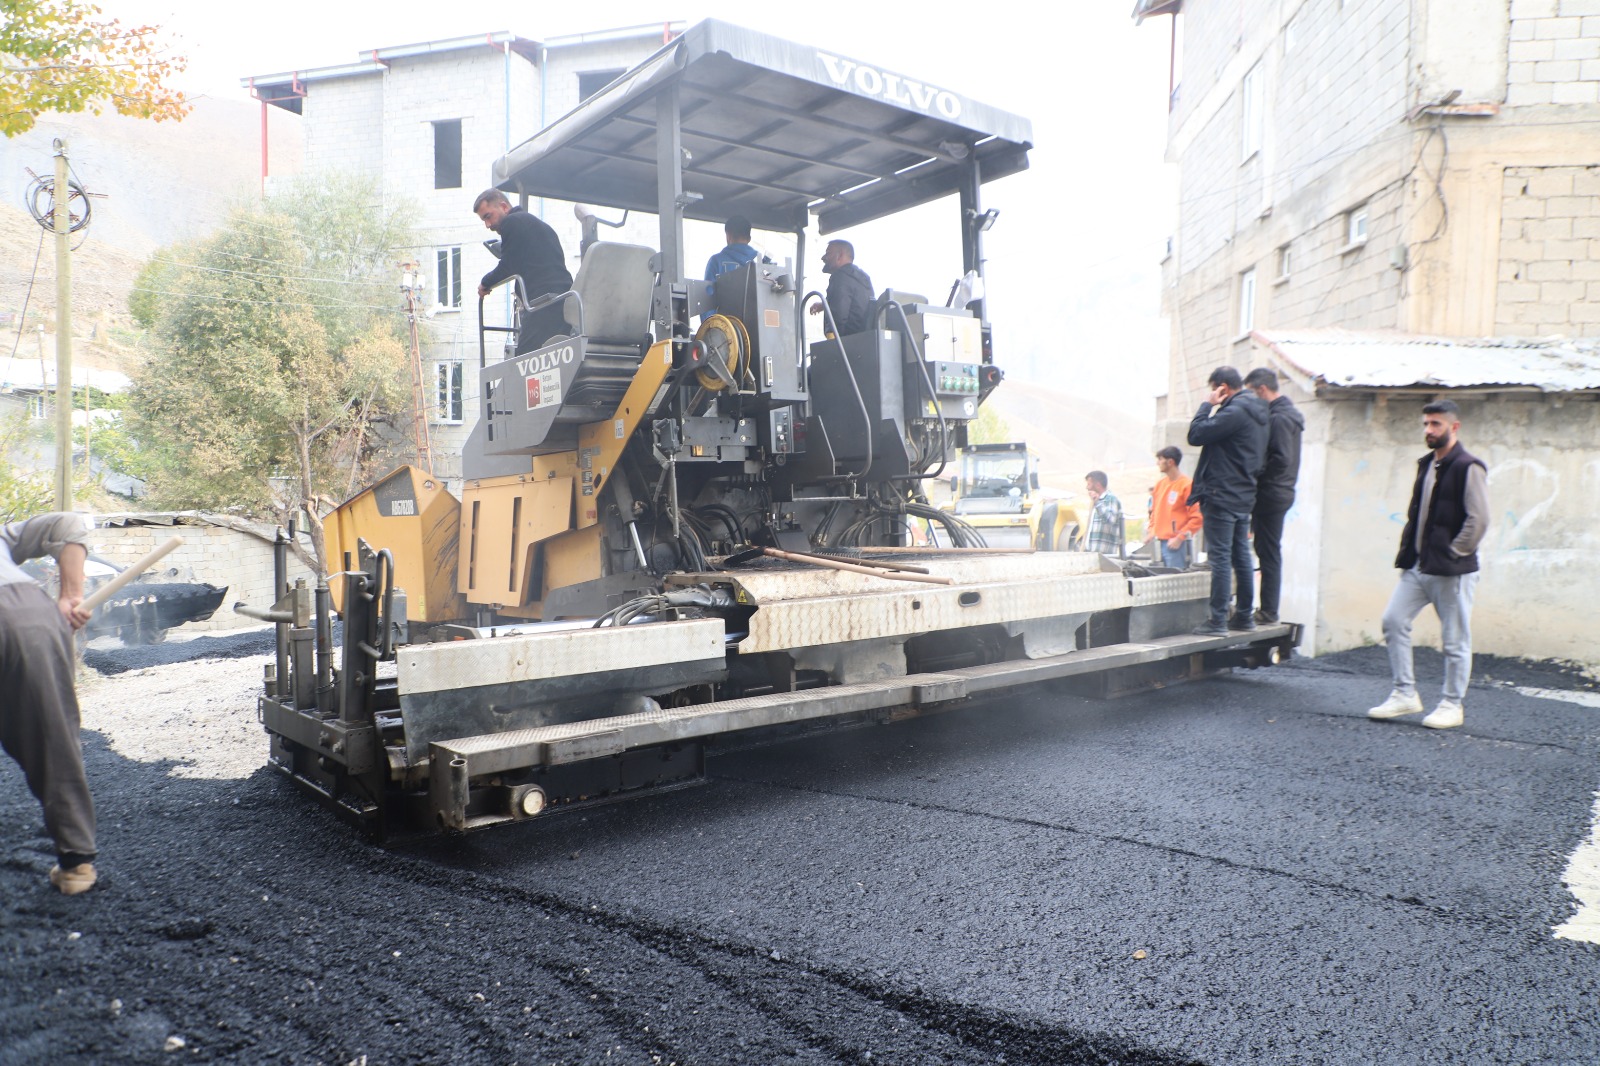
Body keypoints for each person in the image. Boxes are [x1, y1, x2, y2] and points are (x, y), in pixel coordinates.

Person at [1367, 399, 1490, 730]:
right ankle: (1405, 694)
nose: (1429, 430)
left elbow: (1479, 520)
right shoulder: (1426, 464)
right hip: (1418, 567)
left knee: (1454, 640)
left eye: (1436, 424)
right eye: (1426, 424)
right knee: (1393, 621)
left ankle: (1452, 704)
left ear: (1454, 427)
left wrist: (1453, 551)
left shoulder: (1468, 466)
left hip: (1452, 570)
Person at [0, 512, 96, 895]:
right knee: (52, 737)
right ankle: (77, 867)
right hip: (27, 616)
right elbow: (67, 524)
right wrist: (71, 596)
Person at [1186, 366, 1270, 635]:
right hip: (1244, 495)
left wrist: (1207, 405)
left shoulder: (1234, 412)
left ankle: (1218, 620)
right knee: (1241, 556)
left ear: (1222, 387)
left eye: (1214, 389)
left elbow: (1196, 434)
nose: (1212, 394)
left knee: (1220, 558)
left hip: (1221, 495)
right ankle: (1244, 616)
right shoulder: (1259, 414)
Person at [473, 188, 574, 352]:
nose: (488, 225)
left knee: (522, 362)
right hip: (563, 301)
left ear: (504, 206)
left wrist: (485, 283)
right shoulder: (540, 226)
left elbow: (508, 265)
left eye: (488, 216)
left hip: (542, 304)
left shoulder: (511, 223)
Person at [1244, 367, 1305, 624]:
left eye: (1250, 394)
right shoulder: (1285, 415)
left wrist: (1254, 472)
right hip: (1277, 492)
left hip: (1272, 493)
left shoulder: (1280, 418)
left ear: (1262, 390)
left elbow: (1281, 458)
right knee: (1265, 550)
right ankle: (1266, 609)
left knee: (1268, 553)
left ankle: (1268, 611)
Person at [1149, 446, 1202, 569]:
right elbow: (1154, 512)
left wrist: (1180, 537)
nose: (1158, 463)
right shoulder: (1160, 485)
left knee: (1175, 578)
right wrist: (1152, 531)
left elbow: (1197, 517)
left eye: (1160, 459)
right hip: (1158, 543)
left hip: (1176, 545)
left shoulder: (1186, 485)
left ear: (1170, 462)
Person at [808, 239, 874, 336]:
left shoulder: (840, 276)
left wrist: (831, 338)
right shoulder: (863, 278)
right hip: (863, 339)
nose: (823, 258)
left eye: (828, 253)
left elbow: (838, 315)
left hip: (845, 343)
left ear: (840, 256)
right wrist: (824, 305)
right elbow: (853, 304)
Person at [704, 214, 759, 299]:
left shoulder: (716, 261)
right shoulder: (759, 265)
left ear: (728, 235)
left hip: (722, 312)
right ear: (749, 239)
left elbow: (707, 298)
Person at [1083, 470, 1125, 557]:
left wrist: (1097, 502)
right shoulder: (1097, 502)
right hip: (1092, 553)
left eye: (1089, 484)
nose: (1087, 488)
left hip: (1104, 555)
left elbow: (1110, 520)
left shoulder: (1110, 499)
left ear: (1098, 485)